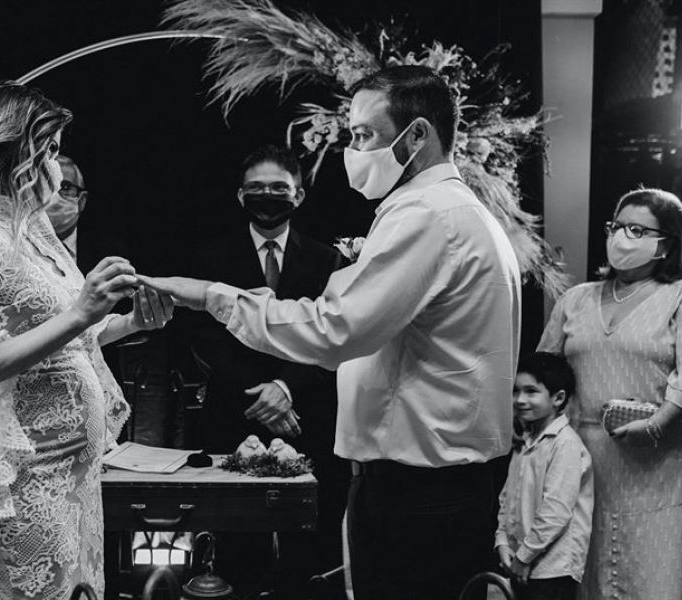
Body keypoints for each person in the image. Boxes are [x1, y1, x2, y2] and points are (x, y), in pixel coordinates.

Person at [142, 65, 522, 600]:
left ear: (417, 135)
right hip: (440, 481)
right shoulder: (458, 211)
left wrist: (210, 296)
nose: (353, 151)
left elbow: (335, 330)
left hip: (419, 490)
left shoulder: (428, 215)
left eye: (364, 135)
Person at [0, 81, 173, 600]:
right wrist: (81, 311)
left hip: (76, 469)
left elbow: (70, 340)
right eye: (47, 150)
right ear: (8, 150)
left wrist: (131, 325)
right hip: (27, 473)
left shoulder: (31, 229)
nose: (55, 166)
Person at [188, 144, 349, 590]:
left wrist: (286, 387)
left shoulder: (329, 260)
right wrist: (262, 393)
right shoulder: (210, 259)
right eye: (256, 188)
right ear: (241, 196)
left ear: (298, 194)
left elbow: (336, 338)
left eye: (279, 188)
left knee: (309, 550)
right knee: (236, 548)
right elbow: (204, 340)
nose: (268, 196)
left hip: (307, 414)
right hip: (235, 413)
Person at [538, 187, 682, 598]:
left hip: (651, 465)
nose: (621, 237)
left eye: (637, 230)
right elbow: (545, 373)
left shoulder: (676, 296)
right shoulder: (575, 300)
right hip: (577, 466)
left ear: (666, 243)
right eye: (616, 226)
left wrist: (658, 423)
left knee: (648, 579)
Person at [496, 352, 593, 600]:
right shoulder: (525, 440)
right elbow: (507, 497)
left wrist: (524, 556)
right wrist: (502, 541)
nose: (520, 400)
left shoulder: (565, 444)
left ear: (558, 398)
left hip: (552, 570)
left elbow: (556, 510)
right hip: (521, 561)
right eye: (516, 391)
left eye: (531, 391)